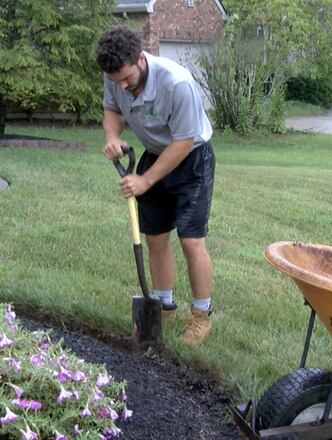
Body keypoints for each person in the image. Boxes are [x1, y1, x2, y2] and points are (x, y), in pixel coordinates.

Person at [96, 27, 215, 345]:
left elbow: (184, 141)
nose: (121, 85)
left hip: (191, 159)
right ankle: (163, 306)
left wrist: (146, 180)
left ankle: (202, 316)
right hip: (155, 154)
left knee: (191, 241)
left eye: (126, 78)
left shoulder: (176, 83)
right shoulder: (114, 75)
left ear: (140, 58)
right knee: (156, 238)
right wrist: (112, 137)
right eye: (115, 79)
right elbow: (112, 110)